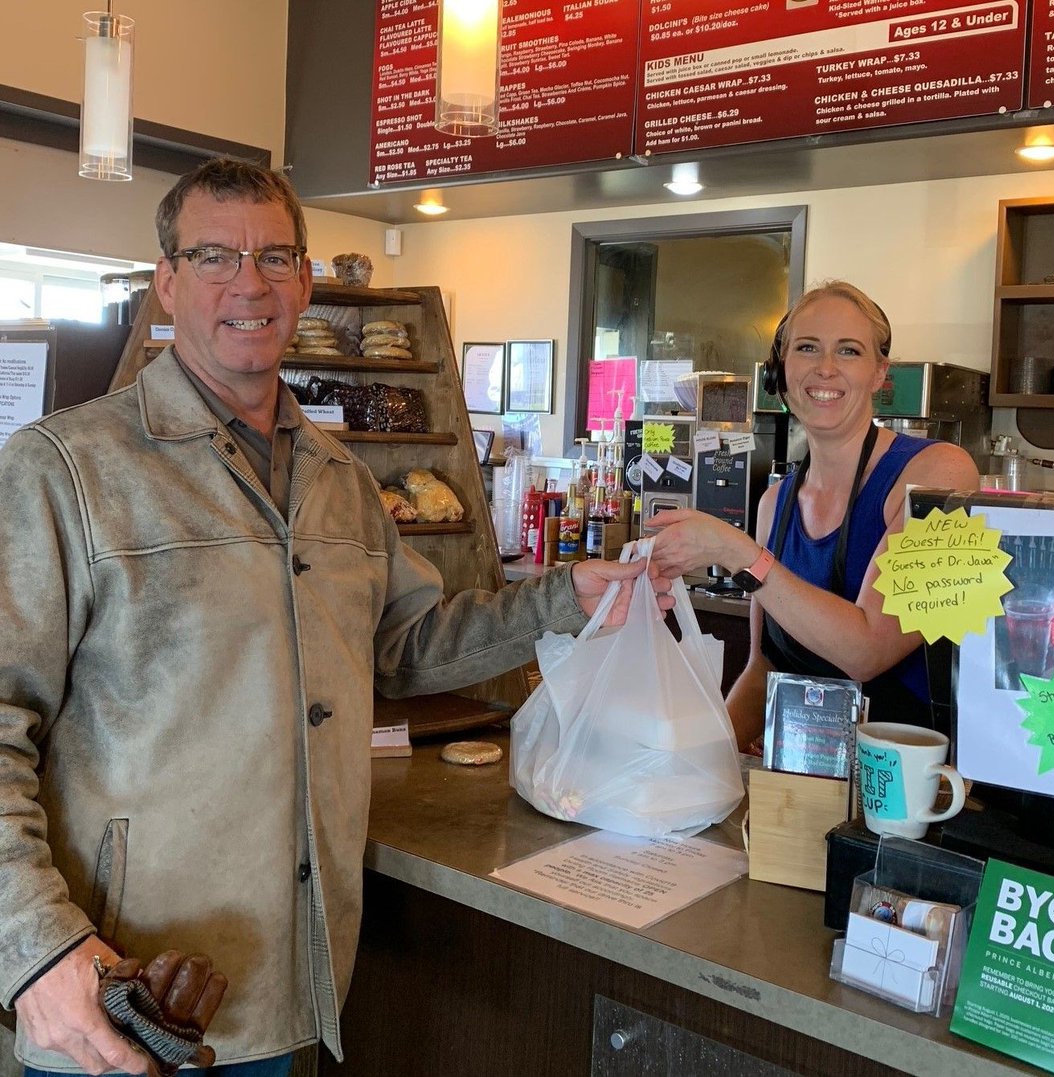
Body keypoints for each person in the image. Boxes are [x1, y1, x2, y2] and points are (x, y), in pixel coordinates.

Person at [0, 158, 666, 1077]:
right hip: (124, 1000)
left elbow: (404, 643)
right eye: (215, 256)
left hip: (290, 984)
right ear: (167, 282)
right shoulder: (67, 470)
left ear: (307, 282)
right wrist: (34, 948)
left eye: (276, 257)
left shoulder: (342, 481)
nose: (250, 283)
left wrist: (564, 599)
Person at [648, 281, 979, 750]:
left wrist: (737, 551)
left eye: (849, 351)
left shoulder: (941, 475)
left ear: (879, 373)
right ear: (781, 370)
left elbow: (868, 653)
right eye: (807, 348)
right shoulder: (773, 506)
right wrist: (700, 760)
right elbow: (763, 671)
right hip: (804, 781)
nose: (825, 368)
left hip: (908, 792)